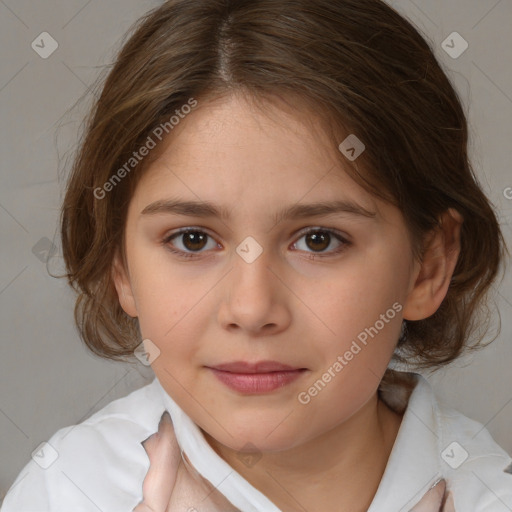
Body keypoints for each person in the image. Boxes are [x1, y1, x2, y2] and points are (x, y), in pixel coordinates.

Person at [2, 0, 511, 510]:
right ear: (121, 266)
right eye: (193, 240)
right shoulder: (65, 491)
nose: (250, 309)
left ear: (429, 266)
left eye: (318, 240)